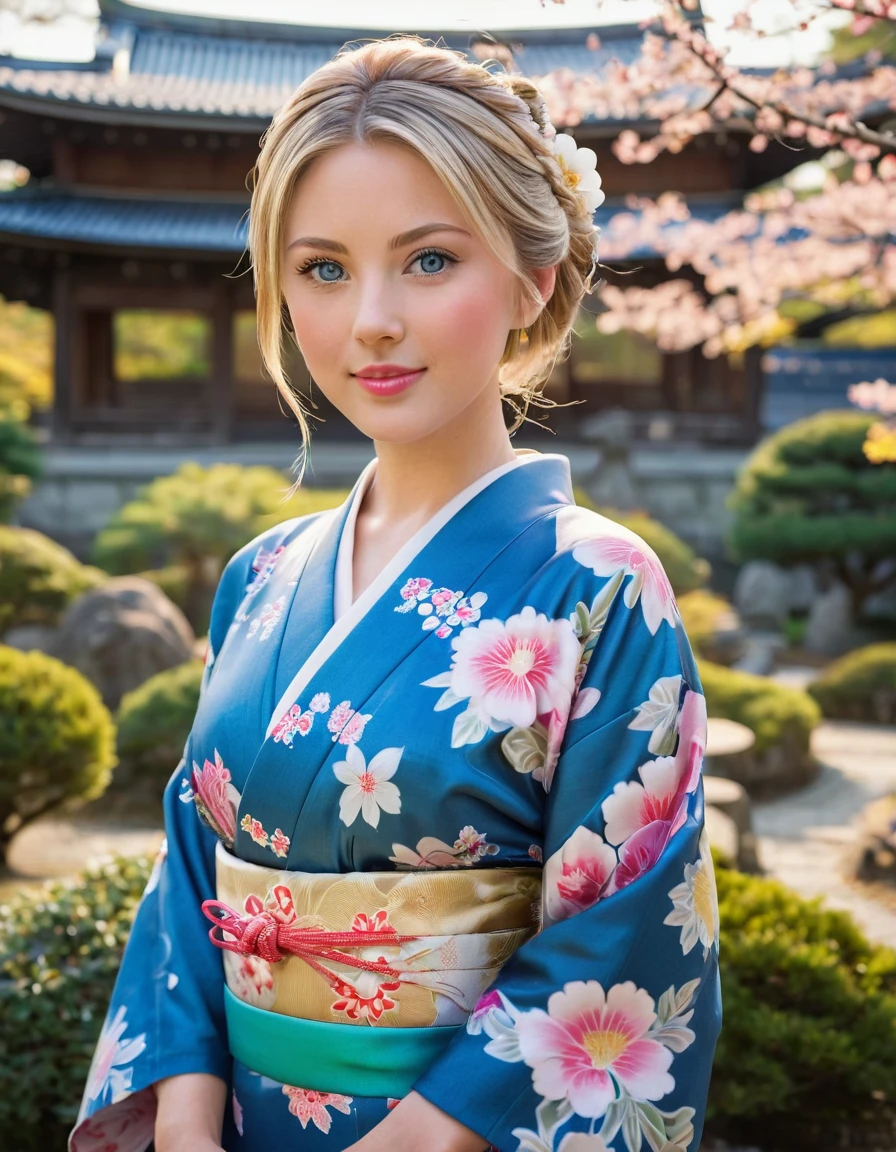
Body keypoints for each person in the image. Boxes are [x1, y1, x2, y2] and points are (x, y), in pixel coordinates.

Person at [71, 35, 721, 1152]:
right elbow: (191, 874)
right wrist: (182, 1121)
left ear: (533, 278)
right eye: (322, 269)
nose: (369, 319)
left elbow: (618, 939)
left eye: (427, 261)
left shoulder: (602, 589)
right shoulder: (261, 577)